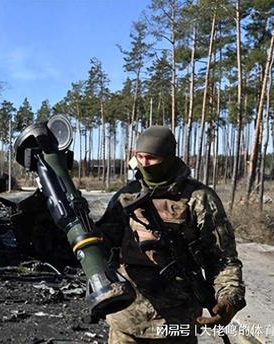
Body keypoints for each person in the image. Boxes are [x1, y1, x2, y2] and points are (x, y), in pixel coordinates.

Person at [96, 126, 245, 343]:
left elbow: (223, 259)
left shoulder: (199, 198)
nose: (145, 164)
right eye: (140, 157)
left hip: (178, 325)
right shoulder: (126, 196)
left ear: (169, 158)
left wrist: (228, 298)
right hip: (126, 323)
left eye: (152, 158)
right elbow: (103, 244)